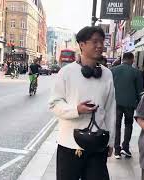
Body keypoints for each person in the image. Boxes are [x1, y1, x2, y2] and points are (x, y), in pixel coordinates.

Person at [49, 26, 116, 180]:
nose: (100, 45)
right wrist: (76, 110)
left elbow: (111, 110)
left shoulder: (107, 74)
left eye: (102, 41)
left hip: (98, 143)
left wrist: (111, 141)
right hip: (70, 144)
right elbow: (54, 103)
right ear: (81, 44)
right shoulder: (66, 72)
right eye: (95, 41)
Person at [110, 52, 144, 159]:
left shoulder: (113, 70)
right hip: (130, 103)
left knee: (117, 126)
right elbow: (139, 90)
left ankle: (116, 150)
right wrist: (139, 104)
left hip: (116, 102)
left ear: (123, 59)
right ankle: (126, 148)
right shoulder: (136, 72)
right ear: (132, 60)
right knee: (128, 125)